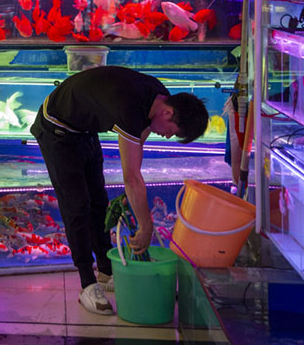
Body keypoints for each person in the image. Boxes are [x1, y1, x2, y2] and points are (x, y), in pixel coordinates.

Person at [29, 65, 208, 315]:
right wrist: (146, 226)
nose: (167, 137)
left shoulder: (159, 97)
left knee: (99, 203)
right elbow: (131, 177)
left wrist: (133, 199)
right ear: (167, 112)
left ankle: (105, 271)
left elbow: (137, 148)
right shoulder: (130, 108)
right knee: (77, 207)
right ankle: (87, 284)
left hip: (85, 130)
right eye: (172, 132)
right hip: (56, 129)